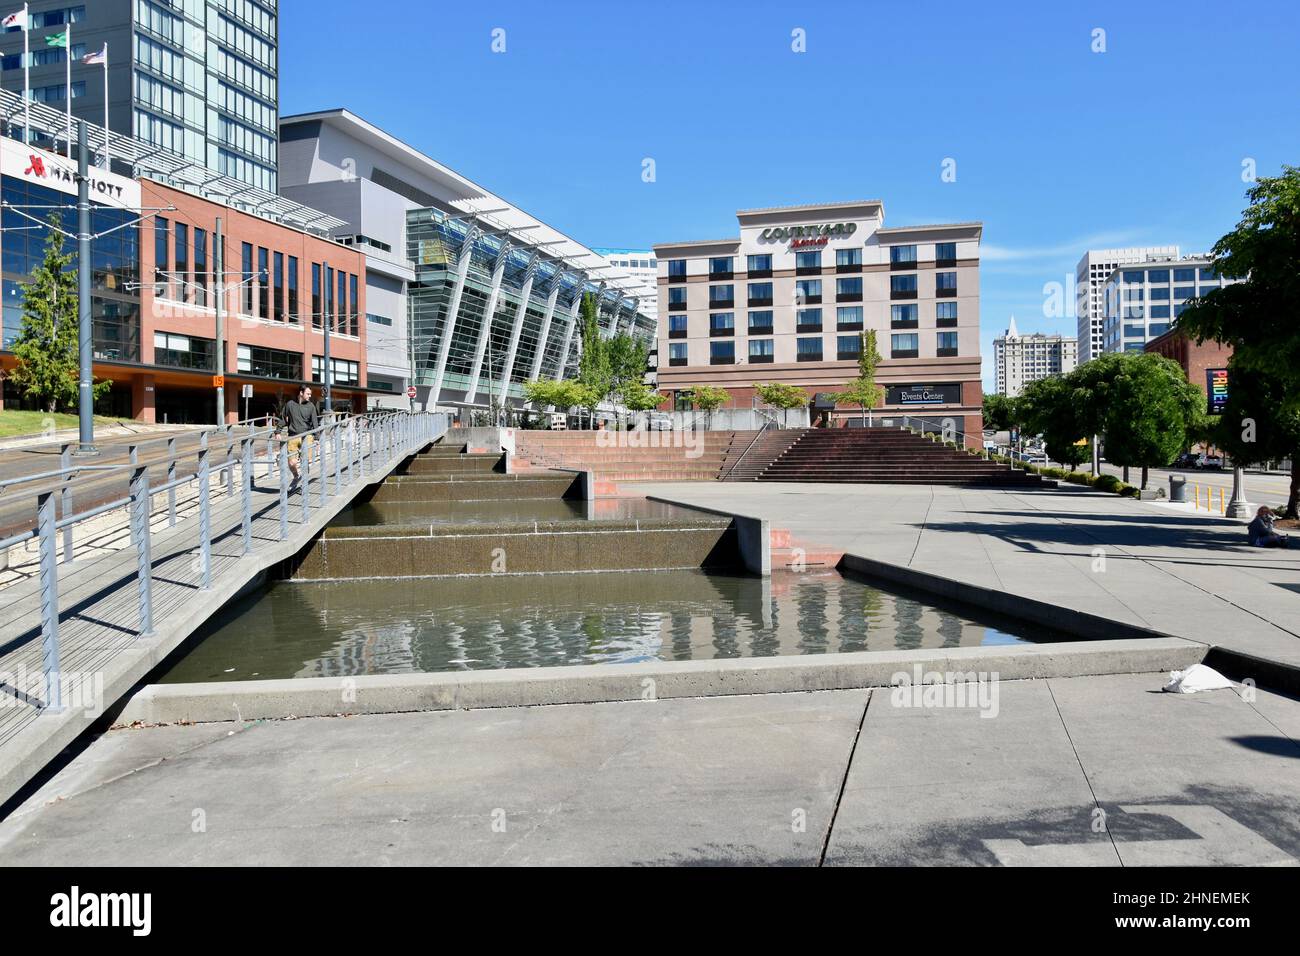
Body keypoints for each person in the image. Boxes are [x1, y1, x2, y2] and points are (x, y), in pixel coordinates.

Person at [281, 385, 319, 489]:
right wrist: (277, 431)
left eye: (310, 394)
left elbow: (315, 423)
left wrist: (316, 439)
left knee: (305, 461)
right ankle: (296, 476)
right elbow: (284, 419)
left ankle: (304, 484)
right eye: (308, 394)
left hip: (307, 437)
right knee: (292, 462)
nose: (310, 396)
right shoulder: (290, 404)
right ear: (301, 393)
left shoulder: (311, 406)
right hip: (292, 436)